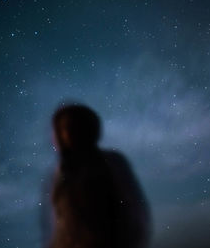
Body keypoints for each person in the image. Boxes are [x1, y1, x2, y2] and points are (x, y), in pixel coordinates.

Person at [44, 103, 151, 248]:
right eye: (63, 128)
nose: (67, 133)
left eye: (73, 126)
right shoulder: (62, 174)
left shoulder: (110, 163)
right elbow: (63, 226)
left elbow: (131, 212)